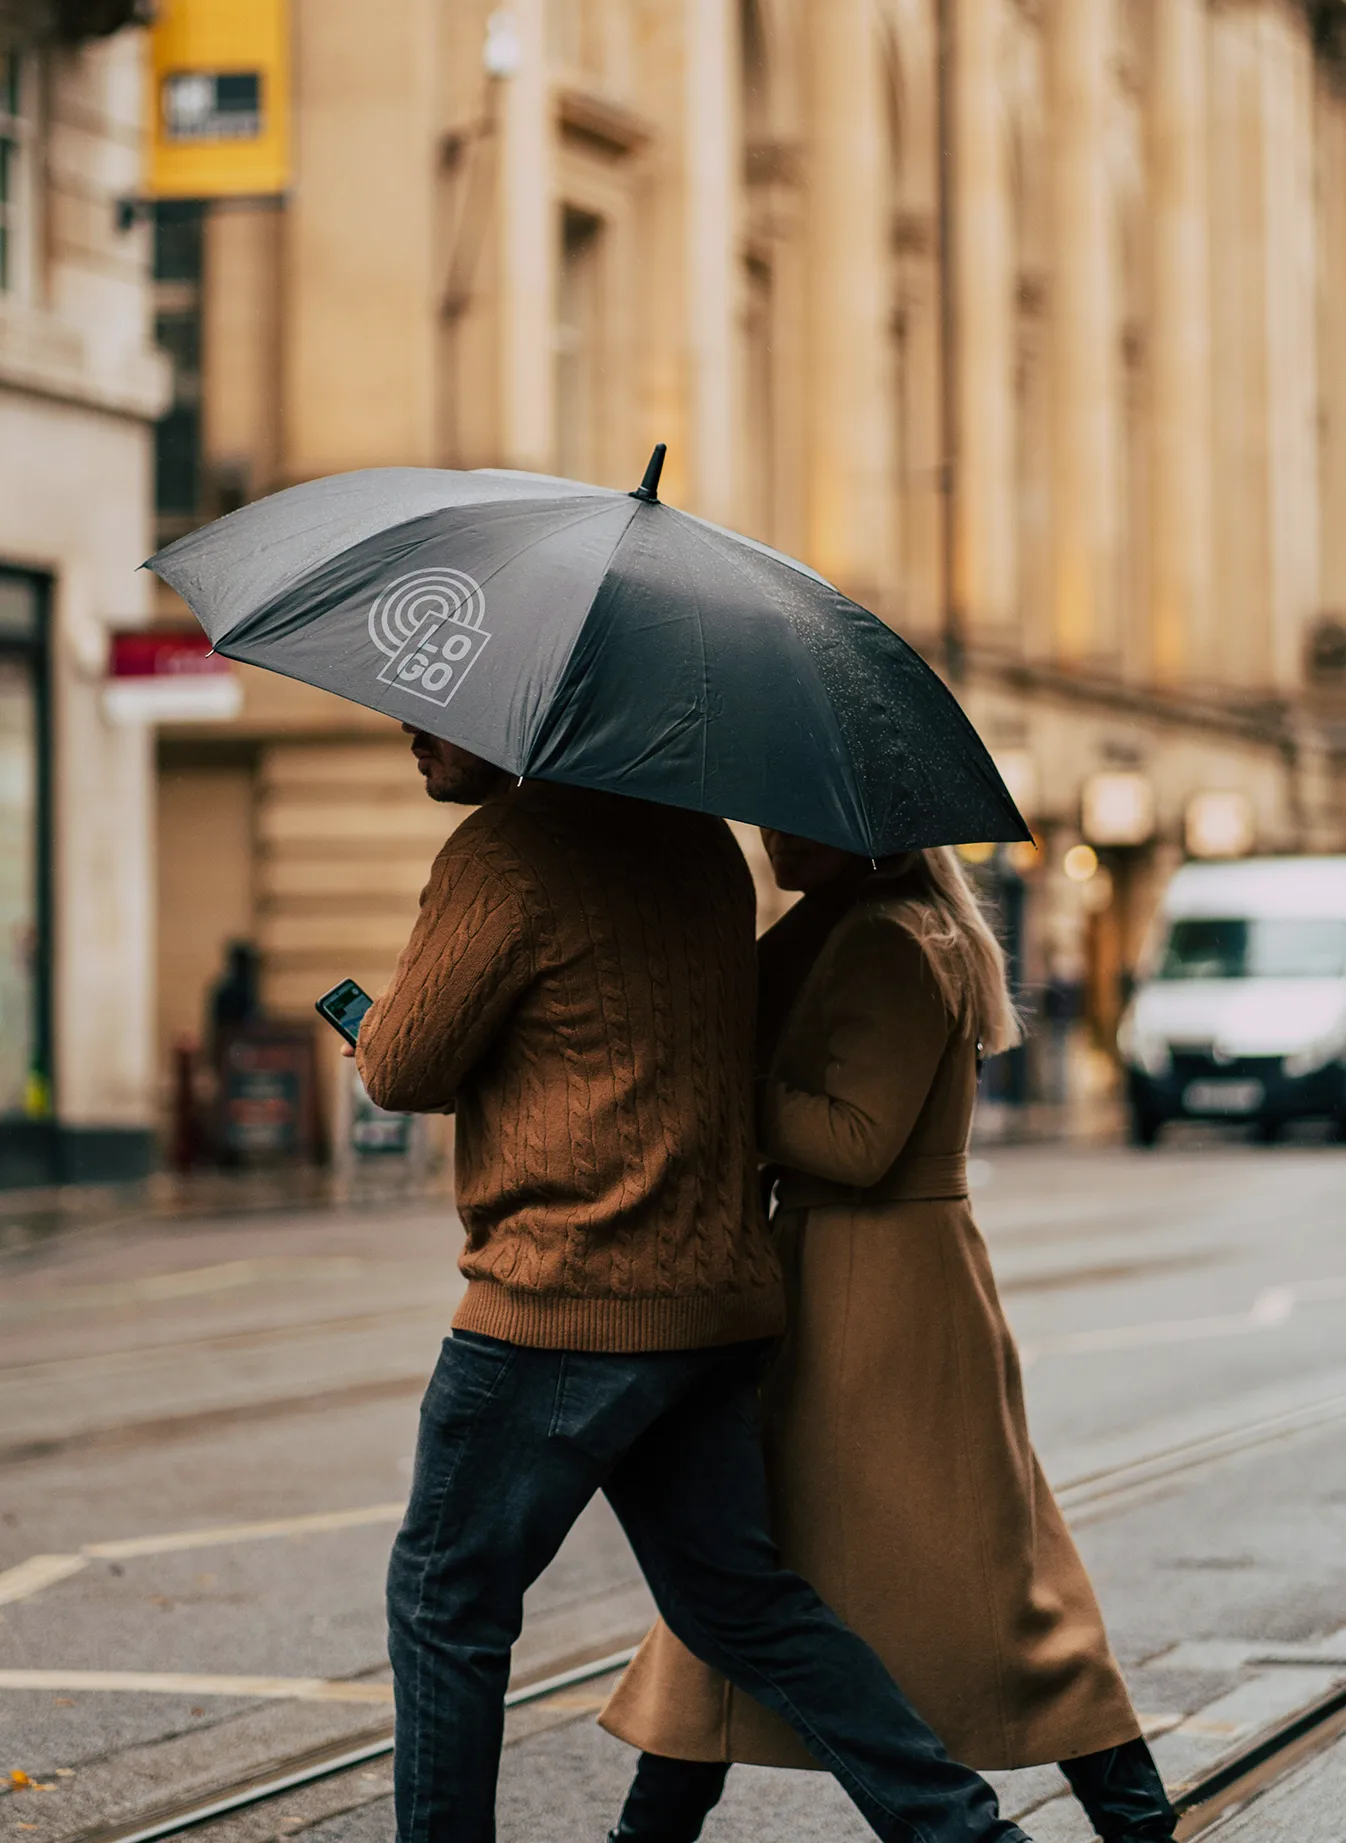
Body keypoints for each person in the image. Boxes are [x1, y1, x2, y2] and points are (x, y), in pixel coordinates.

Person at [354, 725, 1035, 1843]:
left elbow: (403, 1068)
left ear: (519, 714)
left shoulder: (502, 852)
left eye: (437, 715)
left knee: (444, 1601)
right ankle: (966, 1832)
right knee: (741, 1603)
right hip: (712, 1299)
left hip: (559, 1297)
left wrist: (382, 1025)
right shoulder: (698, 845)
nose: (412, 736)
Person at [600, 833, 1177, 1843]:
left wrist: (723, 1083)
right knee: (940, 1569)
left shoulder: (888, 940)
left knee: (806, 1562)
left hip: (869, 1290)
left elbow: (853, 1143)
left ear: (862, 832)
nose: (772, 838)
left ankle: (1124, 1816)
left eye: (793, 821)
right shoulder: (864, 927)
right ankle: (1130, 1817)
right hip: (871, 1280)